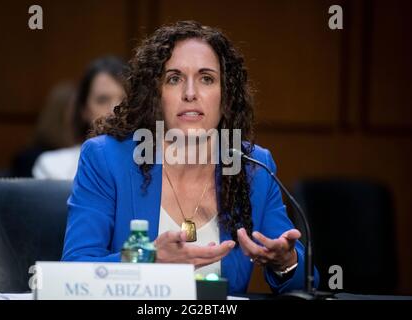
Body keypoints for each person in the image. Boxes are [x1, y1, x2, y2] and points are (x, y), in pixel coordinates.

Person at [62, 21, 319, 294]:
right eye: (174, 79)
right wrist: (148, 259)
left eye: (206, 78)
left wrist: (285, 262)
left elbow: (306, 282)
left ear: (226, 95)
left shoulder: (253, 167)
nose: (190, 93)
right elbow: (75, 271)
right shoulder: (106, 158)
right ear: (155, 94)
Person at [32, 56, 128, 179]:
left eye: (125, 100)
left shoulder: (154, 165)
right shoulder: (53, 167)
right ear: (84, 110)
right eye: (102, 100)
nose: (115, 110)